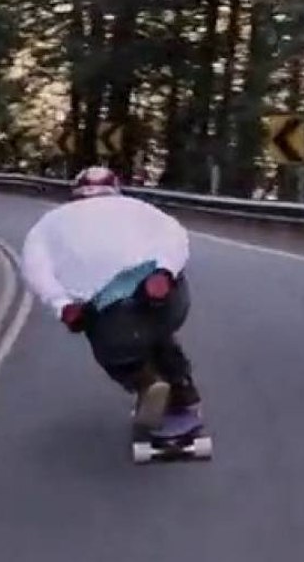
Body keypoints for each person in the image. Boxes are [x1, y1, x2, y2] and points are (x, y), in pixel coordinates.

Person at [21, 166, 201, 429]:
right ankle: (182, 388)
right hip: (164, 298)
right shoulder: (139, 209)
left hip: (106, 312)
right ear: (115, 188)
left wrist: (62, 304)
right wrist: (164, 272)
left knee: (115, 352)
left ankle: (147, 383)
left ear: (76, 193)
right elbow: (175, 237)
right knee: (158, 333)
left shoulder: (49, 223)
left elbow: (35, 264)